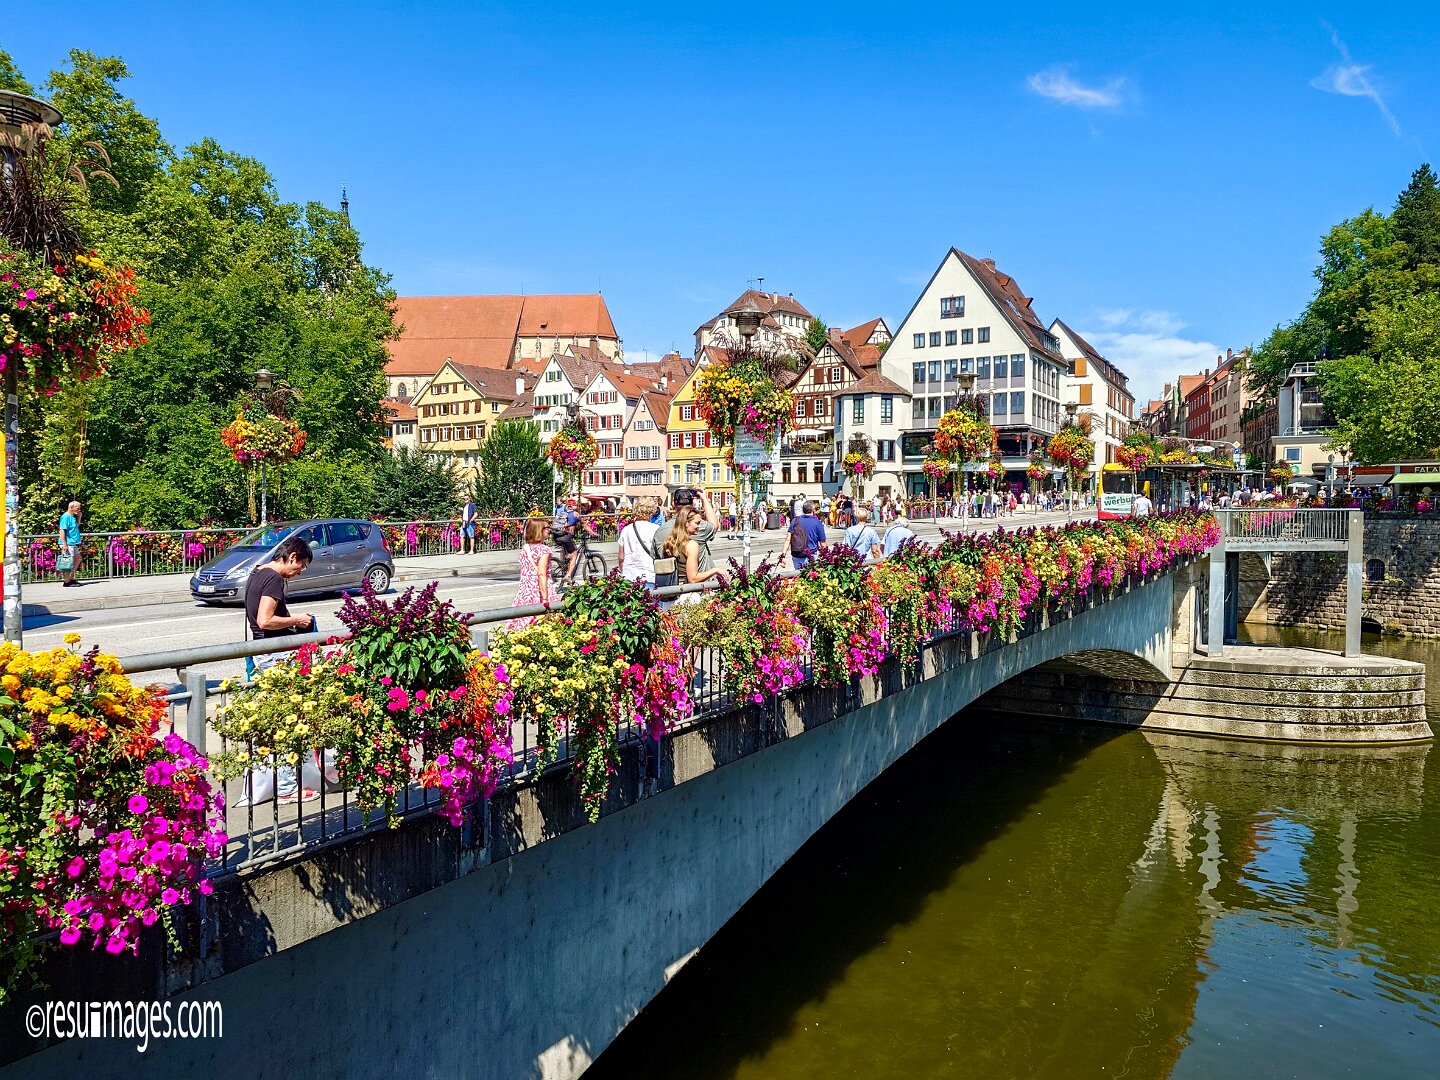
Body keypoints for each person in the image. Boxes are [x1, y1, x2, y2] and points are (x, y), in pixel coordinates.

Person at [242, 534, 318, 803]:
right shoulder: (274, 578)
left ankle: (276, 784)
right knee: (287, 719)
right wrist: (297, 619)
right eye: (301, 566)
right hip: (274, 656)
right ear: (292, 557)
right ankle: (286, 788)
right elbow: (265, 620)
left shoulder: (257, 573)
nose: (300, 572)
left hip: (262, 653)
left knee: (272, 719)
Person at [664, 504, 723, 600]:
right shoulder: (691, 545)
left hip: (668, 593)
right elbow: (693, 578)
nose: (699, 527)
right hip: (685, 595)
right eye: (697, 523)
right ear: (686, 523)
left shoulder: (669, 542)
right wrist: (715, 570)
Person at [508, 517, 552, 627]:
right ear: (539, 530)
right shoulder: (543, 550)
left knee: (524, 620)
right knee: (543, 621)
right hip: (538, 589)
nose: (549, 530)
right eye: (547, 528)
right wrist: (545, 598)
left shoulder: (525, 548)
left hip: (525, 590)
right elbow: (541, 574)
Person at [617, 497, 659, 586]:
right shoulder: (656, 529)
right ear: (652, 511)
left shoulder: (626, 530)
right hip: (649, 575)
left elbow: (621, 557)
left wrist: (622, 571)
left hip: (629, 577)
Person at [789, 500, 829, 570]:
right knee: (813, 575)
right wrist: (827, 556)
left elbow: (788, 539)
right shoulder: (817, 523)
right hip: (812, 555)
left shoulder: (795, 521)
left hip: (797, 555)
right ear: (813, 510)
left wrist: (783, 555)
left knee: (799, 575)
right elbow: (823, 543)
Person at [552, 500, 580, 582]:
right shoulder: (575, 514)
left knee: (567, 553)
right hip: (566, 537)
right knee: (574, 554)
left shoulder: (561, 513)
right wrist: (593, 533)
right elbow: (584, 525)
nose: (577, 507)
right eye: (576, 505)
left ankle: (564, 565)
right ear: (573, 506)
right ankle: (568, 576)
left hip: (556, 536)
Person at [57, 500, 83, 587]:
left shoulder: (72, 517)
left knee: (78, 559)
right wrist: (64, 544)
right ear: (71, 507)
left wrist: (79, 517)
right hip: (68, 543)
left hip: (72, 543)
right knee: (69, 562)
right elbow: (62, 531)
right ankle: (67, 582)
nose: (79, 510)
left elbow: (75, 527)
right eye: (77, 508)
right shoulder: (65, 517)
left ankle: (70, 578)